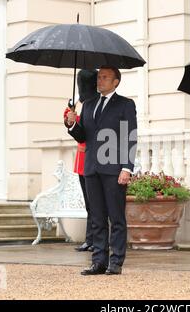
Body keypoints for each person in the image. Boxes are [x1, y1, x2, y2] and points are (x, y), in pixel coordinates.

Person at [66, 66, 137, 276]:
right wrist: (71, 124)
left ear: (116, 81)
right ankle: (98, 261)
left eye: (105, 77)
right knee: (96, 217)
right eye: (99, 77)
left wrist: (127, 167)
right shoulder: (89, 104)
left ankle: (116, 262)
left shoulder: (125, 104)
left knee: (116, 217)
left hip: (114, 169)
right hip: (91, 169)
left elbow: (129, 137)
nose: (100, 80)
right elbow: (83, 136)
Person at [63, 69, 99, 252]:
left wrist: (74, 119)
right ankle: (90, 238)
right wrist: (70, 117)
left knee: (94, 203)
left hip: (92, 157)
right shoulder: (80, 102)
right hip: (82, 159)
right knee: (89, 204)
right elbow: (75, 127)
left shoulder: (94, 103)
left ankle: (93, 239)